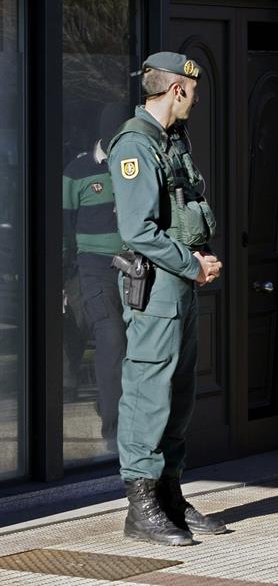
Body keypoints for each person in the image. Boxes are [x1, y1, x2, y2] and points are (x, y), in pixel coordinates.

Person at [108, 52, 225, 545]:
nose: (194, 101)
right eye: (192, 92)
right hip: (155, 285)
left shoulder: (169, 141)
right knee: (148, 392)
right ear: (177, 90)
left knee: (178, 392)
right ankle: (142, 507)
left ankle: (170, 495)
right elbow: (137, 229)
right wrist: (191, 263)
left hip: (177, 283)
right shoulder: (135, 146)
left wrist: (199, 259)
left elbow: (181, 209)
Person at [62, 103, 129, 451]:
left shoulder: (133, 167)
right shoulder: (77, 172)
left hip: (134, 266)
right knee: (111, 339)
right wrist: (61, 277)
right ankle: (112, 429)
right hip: (93, 267)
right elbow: (63, 227)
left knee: (136, 346)